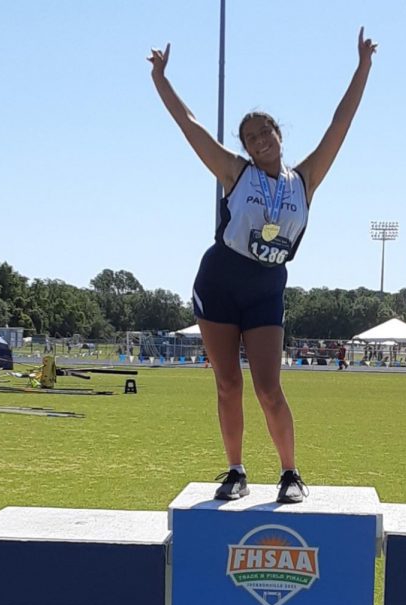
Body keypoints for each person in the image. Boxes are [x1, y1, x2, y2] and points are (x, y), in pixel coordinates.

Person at [148, 28, 377, 502]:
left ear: (278, 134)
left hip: (267, 286)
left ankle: (290, 473)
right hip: (220, 280)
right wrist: (161, 79)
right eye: (249, 137)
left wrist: (362, 68)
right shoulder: (235, 172)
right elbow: (189, 125)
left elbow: (340, 124)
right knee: (228, 383)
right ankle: (235, 471)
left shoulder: (305, 179)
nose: (257, 142)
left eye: (264, 133)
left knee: (269, 388)